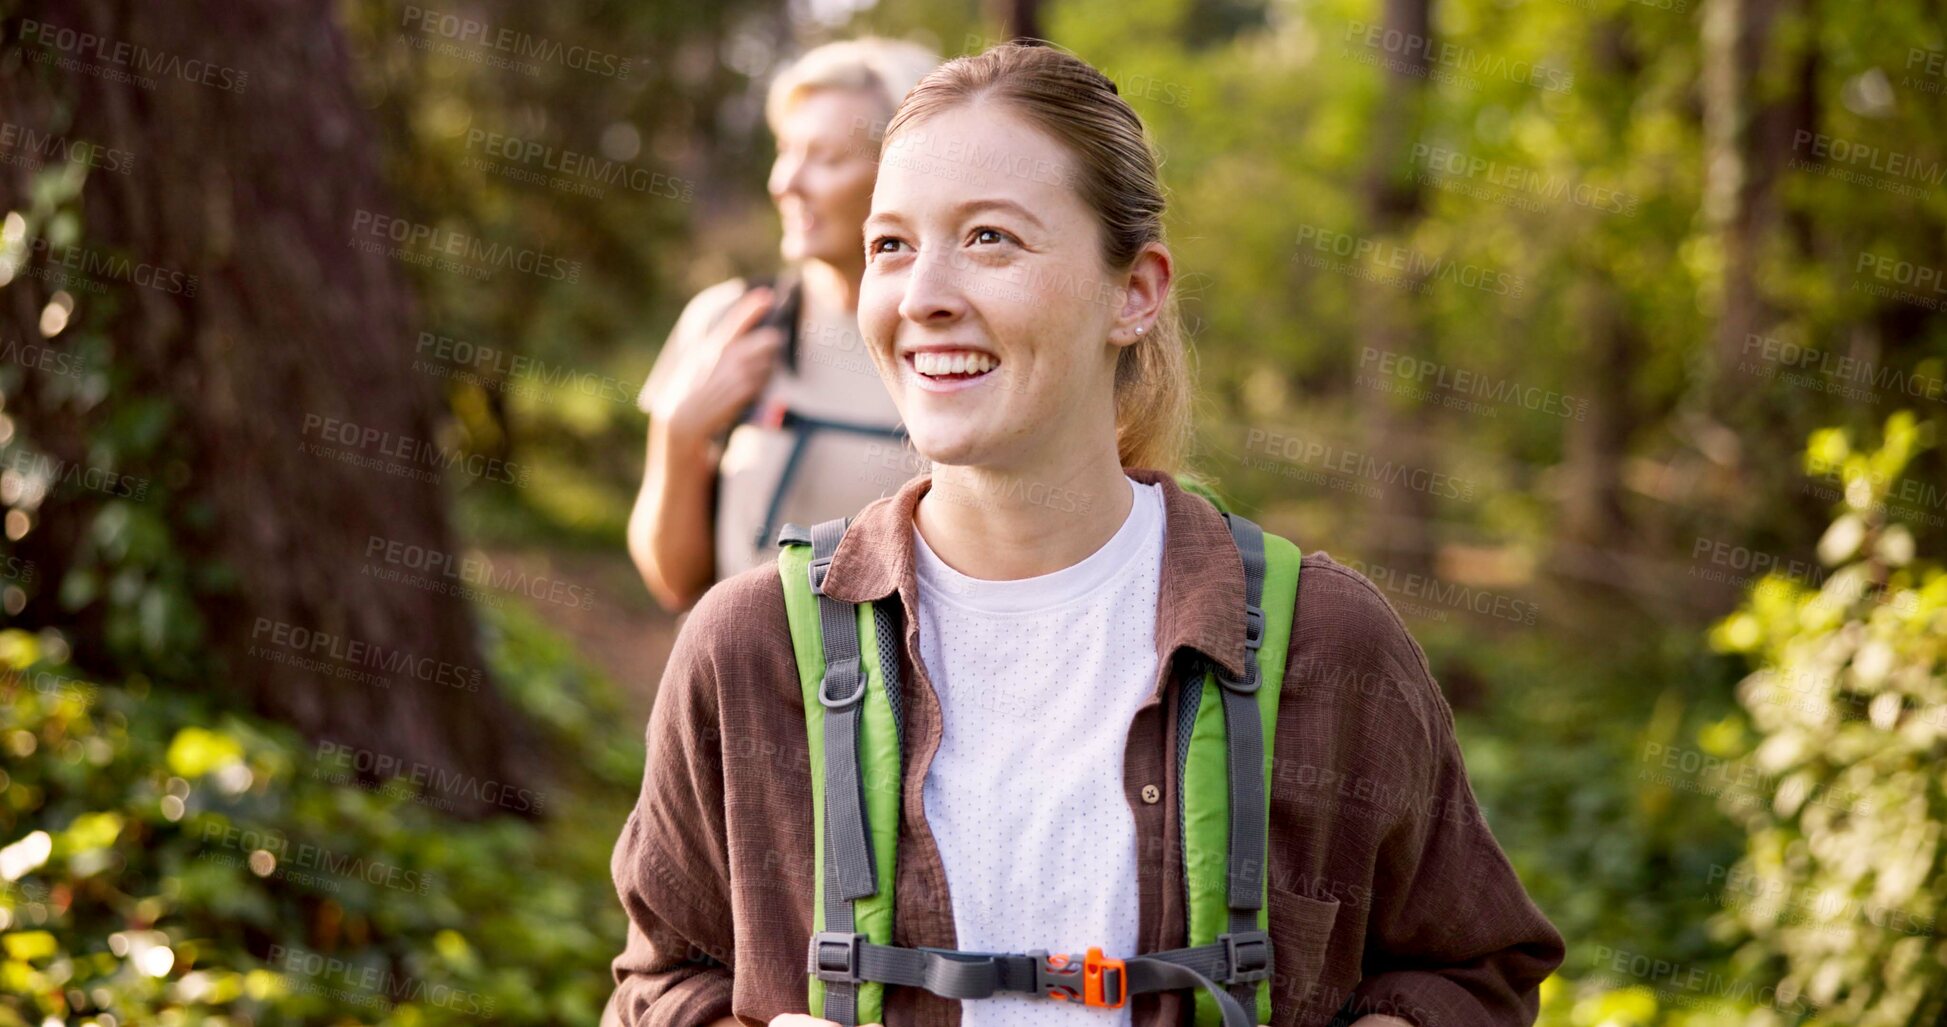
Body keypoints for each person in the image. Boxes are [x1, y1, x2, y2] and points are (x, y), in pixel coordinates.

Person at [608, 41, 1565, 1027]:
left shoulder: (1324, 641)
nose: (923, 295)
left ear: (1135, 292)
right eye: (890, 245)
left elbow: (1475, 971)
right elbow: (659, 983)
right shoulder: (746, 647)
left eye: (989, 238)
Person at [629, 37, 942, 612]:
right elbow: (674, 581)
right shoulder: (727, 321)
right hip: (738, 693)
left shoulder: (952, 345)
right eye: (785, 150)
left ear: (903, 174)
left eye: (825, 158)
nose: (785, 182)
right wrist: (677, 436)